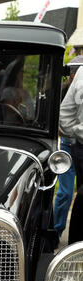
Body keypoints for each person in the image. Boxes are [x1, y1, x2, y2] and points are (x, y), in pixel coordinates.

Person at [53, 57, 83, 241]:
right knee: (65, 192)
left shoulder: (78, 78)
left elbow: (64, 115)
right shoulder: (61, 89)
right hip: (71, 143)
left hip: (75, 142)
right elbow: (62, 115)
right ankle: (57, 231)